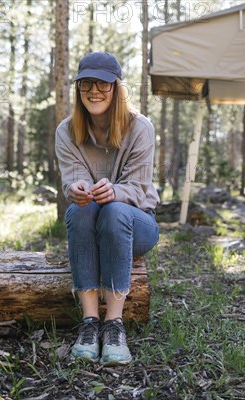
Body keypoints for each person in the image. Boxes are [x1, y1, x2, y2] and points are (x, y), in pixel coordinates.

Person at [55, 52, 160, 366]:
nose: (94, 91)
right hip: (92, 223)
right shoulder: (67, 131)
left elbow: (140, 188)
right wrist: (75, 189)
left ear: (117, 88)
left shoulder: (140, 128)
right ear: (78, 88)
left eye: (102, 83)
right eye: (86, 83)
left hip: (137, 223)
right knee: (79, 210)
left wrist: (115, 191)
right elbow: (73, 179)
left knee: (114, 211)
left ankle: (114, 325)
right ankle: (90, 323)